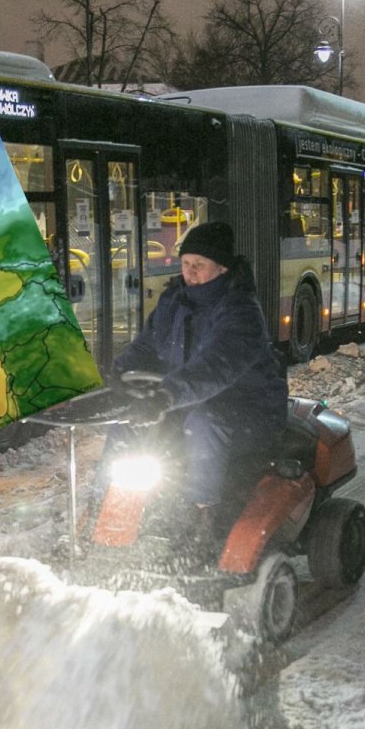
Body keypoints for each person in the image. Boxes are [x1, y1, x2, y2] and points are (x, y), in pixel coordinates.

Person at [105, 220, 289, 534]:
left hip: (248, 409)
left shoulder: (241, 313)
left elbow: (214, 367)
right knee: (125, 424)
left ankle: (201, 515)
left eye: (199, 266)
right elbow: (149, 344)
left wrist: (165, 396)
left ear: (222, 269)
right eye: (186, 264)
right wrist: (117, 375)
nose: (190, 273)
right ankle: (107, 504)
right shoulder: (174, 301)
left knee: (202, 423)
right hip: (184, 400)